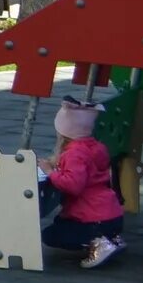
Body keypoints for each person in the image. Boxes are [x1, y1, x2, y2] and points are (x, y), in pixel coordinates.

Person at [39, 99, 125, 268]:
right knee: (61, 222)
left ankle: (98, 242)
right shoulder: (97, 147)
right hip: (112, 215)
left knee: (50, 235)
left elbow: (73, 185)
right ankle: (111, 238)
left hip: (94, 218)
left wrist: (50, 172)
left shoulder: (74, 154)